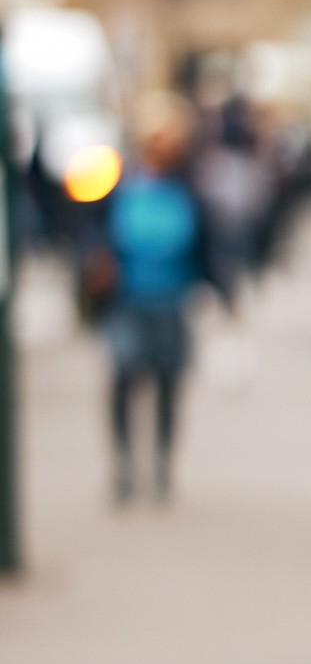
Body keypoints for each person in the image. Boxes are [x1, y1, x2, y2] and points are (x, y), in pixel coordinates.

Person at [100, 91, 225, 502]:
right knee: (123, 380)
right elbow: (95, 236)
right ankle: (123, 467)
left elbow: (208, 245)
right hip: (128, 297)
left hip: (172, 297)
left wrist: (225, 293)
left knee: (169, 386)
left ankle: (161, 468)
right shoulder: (118, 184)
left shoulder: (189, 188)